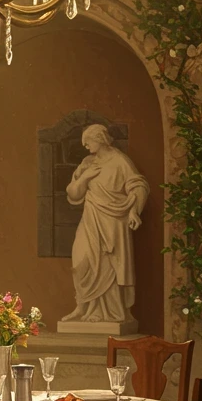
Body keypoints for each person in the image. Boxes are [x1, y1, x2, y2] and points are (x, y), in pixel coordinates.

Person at [60, 124, 150, 324]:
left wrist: (134, 210)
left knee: (109, 263)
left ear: (100, 138)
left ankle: (109, 313)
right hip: (90, 218)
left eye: (88, 142)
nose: (85, 146)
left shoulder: (120, 161)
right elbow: (73, 193)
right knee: (81, 260)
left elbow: (138, 185)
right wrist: (85, 177)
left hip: (113, 221)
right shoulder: (87, 163)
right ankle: (82, 307)